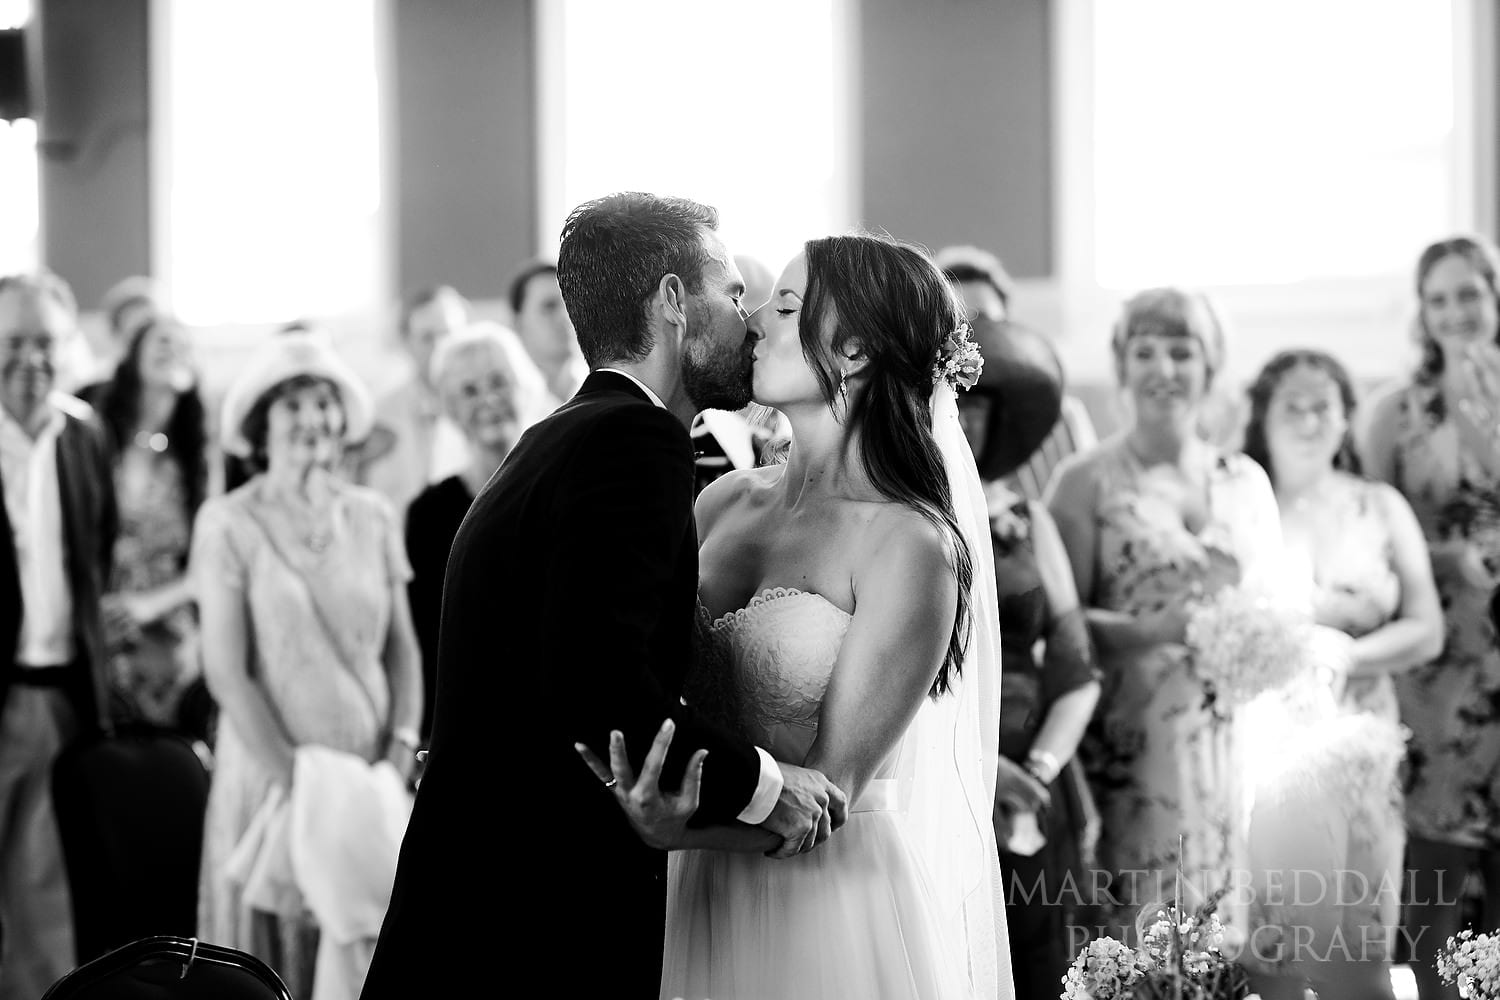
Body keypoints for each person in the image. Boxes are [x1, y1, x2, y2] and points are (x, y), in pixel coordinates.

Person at [362, 193, 846, 999]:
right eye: (729, 293)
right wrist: (768, 784)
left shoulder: (561, 436)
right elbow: (603, 688)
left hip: (477, 909)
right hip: (530, 926)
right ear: (670, 303)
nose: (748, 317)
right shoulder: (634, 443)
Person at [591, 235, 1012, 999]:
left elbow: (831, 788)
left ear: (851, 351)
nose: (753, 321)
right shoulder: (720, 501)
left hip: (823, 903)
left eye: (785, 307)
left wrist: (675, 828)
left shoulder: (908, 543)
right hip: (694, 888)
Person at [1046, 287, 1283, 940]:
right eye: (1144, 352)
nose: (1164, 370)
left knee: (1226, 943)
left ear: (1210, 366)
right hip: (1129, 750)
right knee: (1142, 946)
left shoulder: (1245, 480)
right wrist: (1152, 630)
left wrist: (1267, 640)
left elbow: (1276, 601)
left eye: (1182, 352)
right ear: (1121, 366)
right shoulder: (1084, 481)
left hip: (1232, 747)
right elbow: (1056, 631)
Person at [192, 330, 422, 998]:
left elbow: (403, 649)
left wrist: (403, 747)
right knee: (280, 966)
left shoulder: (373, 515)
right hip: (273, 778)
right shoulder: (227, 522)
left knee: (373, 954)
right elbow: (226, 673)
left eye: (323, 402)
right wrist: (299, 780)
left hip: (373, 774)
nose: (312, 418)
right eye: (292, 404)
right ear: (262, 424)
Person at [1237, 350, 1442, 1000]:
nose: (1307, 419)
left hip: (1366, 747)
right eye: (1290, 405)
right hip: (1272, 753)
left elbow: (1427, 627)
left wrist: (1350, 653)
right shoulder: (1244, 505)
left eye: (1322, 404)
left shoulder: (1379, 506)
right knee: (1278, 952)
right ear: (1262, 418)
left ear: (1347, 418)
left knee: (1361, 947)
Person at [1360, 234, 1500, 1000]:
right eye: (1439, 298)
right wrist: (1449, 560)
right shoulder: (1395, 413)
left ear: (1495, 296)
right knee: (1440, 866)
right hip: (1443, 663)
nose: (1456, 313)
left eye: (1470, 294)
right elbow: (1377, 526)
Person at [959, 315, 1102, 998]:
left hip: (1035, 794)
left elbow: (1077, 671)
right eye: (951, 406)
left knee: (1042, 968)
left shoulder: (1031, 522)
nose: (962, 422)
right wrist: (984, 772)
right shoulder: (897, 519)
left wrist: (1035, 772)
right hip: (946, 785)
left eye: (977, 409)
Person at [0, 272, 117, 1000]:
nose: (30, 359)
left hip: (62, 691)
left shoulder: (83, 432)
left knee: (43, 881)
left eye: (45, 342)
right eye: (12, 342)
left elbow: (94, 552)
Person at [404, 321, 549, 742]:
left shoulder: (561, 487)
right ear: (450, 407)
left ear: (523, 388)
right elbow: (427, 633)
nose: (488, 400)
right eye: (469, 391)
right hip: (469, 719)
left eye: (499, 382)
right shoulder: (428, 512)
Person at [78, 315, 210, 737]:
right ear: (134, 355)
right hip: (101, 625)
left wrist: (149, 605)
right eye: (160, 339)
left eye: (182, 341)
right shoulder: (97, 438)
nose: (171, 347)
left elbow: (214, 558)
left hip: (169, 635)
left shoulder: (198, 456)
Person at [937, 244, 1097, 500]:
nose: (969, 335)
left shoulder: (1063, 419)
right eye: (956, 320)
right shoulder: (920, 417)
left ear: (1007, 324)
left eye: (982, 319)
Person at [358, 286, 471, 516]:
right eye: (427, 338)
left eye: (447, 334)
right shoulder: (377, 416)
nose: (440, 347)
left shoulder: (482, 410)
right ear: (406, 342)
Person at [507, 259, 587, 408]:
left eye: (572, 304)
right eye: (549, 306)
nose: (566, 316)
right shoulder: (510, 403)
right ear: (519, 325)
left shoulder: (610, 388)